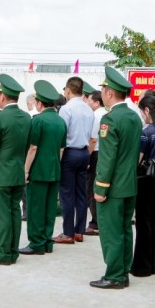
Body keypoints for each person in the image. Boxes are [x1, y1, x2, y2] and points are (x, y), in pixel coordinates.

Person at [90, 67, 142, 289]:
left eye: (103, 90)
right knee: (124, 230)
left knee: (111, 232)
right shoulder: (134, 117)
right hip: (129, 184)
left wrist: (100, 187)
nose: (101, 93)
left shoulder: (110, 120)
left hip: (112, 187)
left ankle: (114, 275)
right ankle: (123, 270)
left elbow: (107, 158)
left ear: (110, 93)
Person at [0, 74, 32, 265]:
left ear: (2, 96)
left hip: (0, 176)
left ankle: (3, 253)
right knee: (14, 213)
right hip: (17, 173)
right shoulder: (27, 117)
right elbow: (27, 146)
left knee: (1, 216)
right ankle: (12, 251)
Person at [20, 81, 67, 255]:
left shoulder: (38, 120)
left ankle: (36, 243)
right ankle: (47, 241)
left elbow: (33, 148)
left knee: (35, 208)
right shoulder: (61, 121)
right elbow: (62, 149)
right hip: (54, 170)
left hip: (38, 171)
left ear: (40, 103)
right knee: (49, 208)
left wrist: (25, 171)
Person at [130, 94, 155, 277]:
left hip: (147, 178)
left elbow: (139, 158)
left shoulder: (146, 133)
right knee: (154, 221)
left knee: (143, 221)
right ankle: (151, 263)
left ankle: (142, 266)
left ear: (146, 110)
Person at [54, 77, 94, 244]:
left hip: (69, 153)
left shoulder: (66, 109)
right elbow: (92, 137)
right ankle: (79, 231)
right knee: (81, 194)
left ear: (68, 91)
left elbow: (62, 137)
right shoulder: (88, 109)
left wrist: (59, 159)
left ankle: (68, 232)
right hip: (84, 153)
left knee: (67, 194)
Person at [85, 90, 107, 235]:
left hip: (95, 153)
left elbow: (93, 139)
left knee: (91, 188)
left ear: (97, 102)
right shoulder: (106, 113)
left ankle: (95, 222)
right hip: (103, 153)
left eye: (90, 100)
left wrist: (87, 156)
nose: (88, 103)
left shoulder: (96, 115)